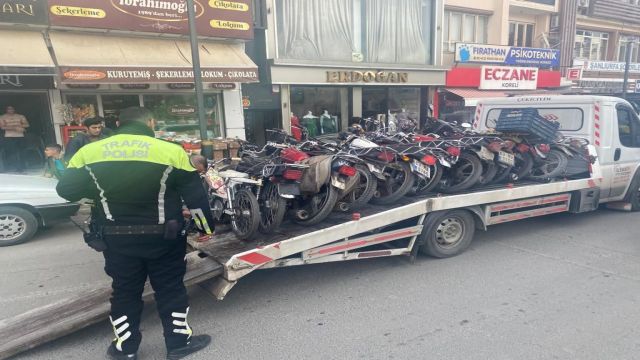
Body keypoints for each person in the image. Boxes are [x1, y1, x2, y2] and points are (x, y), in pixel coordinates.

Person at [56, 107, 215, 360]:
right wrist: (206, 228)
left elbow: (66, 190)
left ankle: (125, 349)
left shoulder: (89, 152)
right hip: (165, 237)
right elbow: (195, 197)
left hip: (116, 239)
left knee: (125, 291)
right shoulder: (171, 151)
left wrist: (98, 189)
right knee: (170, 289)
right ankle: (178, 345)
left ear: (118, 123)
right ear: (150, 122)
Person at [0, 105, 29, 172]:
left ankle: (23, 166)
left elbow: (27, 124)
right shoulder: (2, 117)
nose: (10, 110)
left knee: (21, 151)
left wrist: (17, 126)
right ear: (6, 110)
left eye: (12, 109)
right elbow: (2, 127)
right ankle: (17, 167)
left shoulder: (20, 116)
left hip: (20, 136)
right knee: (13, 153)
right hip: (9, 137)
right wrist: (15, 128)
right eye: (8, 109)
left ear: (14, 109)